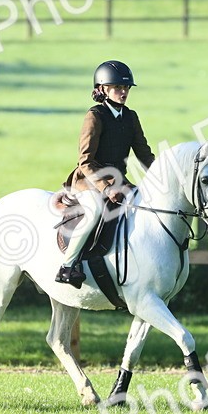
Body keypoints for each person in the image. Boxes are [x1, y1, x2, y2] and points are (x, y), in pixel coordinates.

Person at [55, 60, 156, 288]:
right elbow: (85, 161)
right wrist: (106, 188)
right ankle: (67, 265)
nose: (124, 92)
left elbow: (144, 154)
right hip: (90, 181)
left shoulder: (131, 117)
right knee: (94, 211)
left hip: (120, 181)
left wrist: (163, 175)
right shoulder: (95, 116)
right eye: (118, 88)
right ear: (102, 89)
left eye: (126, 88)